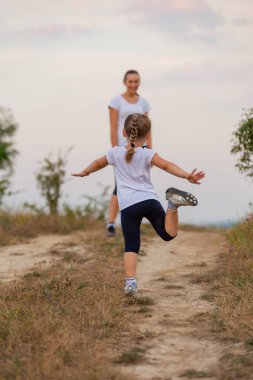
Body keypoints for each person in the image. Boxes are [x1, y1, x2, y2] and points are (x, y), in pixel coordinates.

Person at [72, 113, 205, 295]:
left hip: (128, 206)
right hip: (149, 200)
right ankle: (172, 205)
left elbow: (97, 163)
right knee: (168, 235)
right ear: (148, 135)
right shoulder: (147, 153)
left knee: (131, 245)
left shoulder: (114, 153)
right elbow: (166, 165)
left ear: (124, 132)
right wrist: (186, 175)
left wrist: (85, 172)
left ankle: (130, 284)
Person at [107, 69, 151, 237]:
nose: (133, 84)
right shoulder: (116, 101)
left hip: (141, 148)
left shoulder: (144, 103)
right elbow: (112, 126)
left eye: (136, 81)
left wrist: (149, 149)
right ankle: (111, 223)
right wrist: (114, 150)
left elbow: (147, 128)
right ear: (125, 82)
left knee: (140, 183)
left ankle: (134, 221)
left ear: (139, 82)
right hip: (123, 148)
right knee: (120, 185)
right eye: (130, 81)